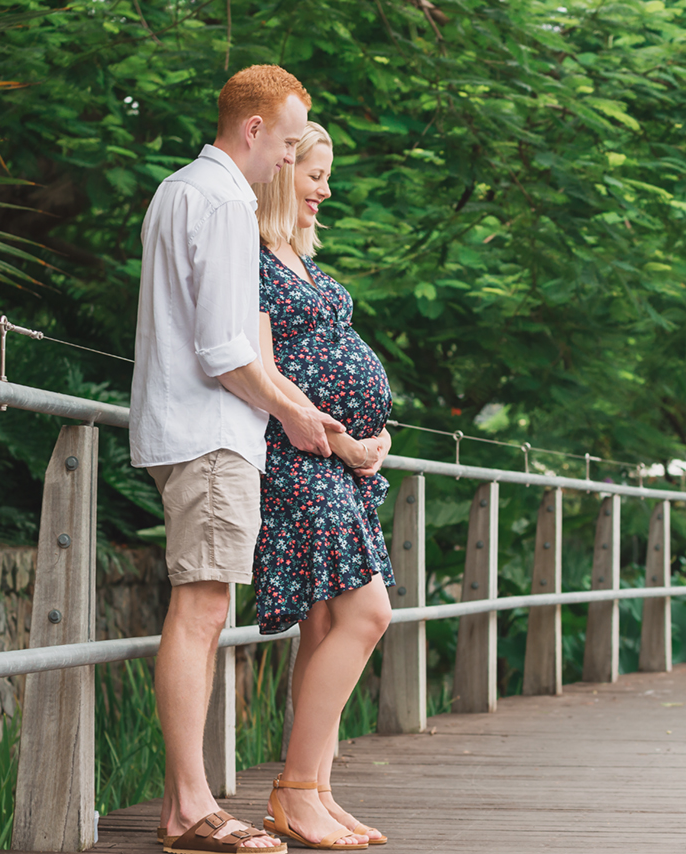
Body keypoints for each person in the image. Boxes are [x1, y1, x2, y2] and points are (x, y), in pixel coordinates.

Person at [131, 65, 342, 854]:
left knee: (205, 609)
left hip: (183, 429)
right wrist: (297, 413)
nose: (290, 161)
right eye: (288, 144)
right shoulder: (225, 200)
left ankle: (191, 801)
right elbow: (225, 349)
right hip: (210, 434)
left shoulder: (175, 188)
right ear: (254, 131)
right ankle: (190, 806)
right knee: (202, 612)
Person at [251, 120, 394, 850]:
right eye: (313, 175)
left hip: (342, 464)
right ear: (281, 172)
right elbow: (267, 373)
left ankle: (315, 792)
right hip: (299, 459)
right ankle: (295, 788)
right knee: (369, 615)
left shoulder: (300, 262)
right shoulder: (251, 258)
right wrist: (340, 438)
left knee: (328, 627)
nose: (324, 190)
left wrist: (378, 439)